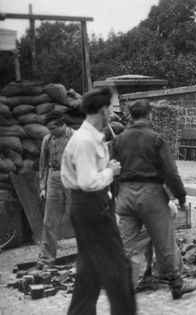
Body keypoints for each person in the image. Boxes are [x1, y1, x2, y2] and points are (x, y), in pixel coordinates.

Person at [111, 99, 196, 300]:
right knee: (165, 241)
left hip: (125, 194)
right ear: (149, 115)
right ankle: (176, 285)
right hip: (150, 194)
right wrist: (181, 196)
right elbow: (171, 171)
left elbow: (113, 170)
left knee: (125, 244)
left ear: (131, 116)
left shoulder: (118, 140)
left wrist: (118, 195)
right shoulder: (155, 138)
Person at [60, 87, 136, 315]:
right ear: (103, 110)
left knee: (89, 270)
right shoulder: (85, 141)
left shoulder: (90, 137)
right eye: (111, 109)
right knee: (118, 267)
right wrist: (111, 172)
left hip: (90, 205)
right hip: (91, 204)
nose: (112, 114)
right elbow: (88, 182)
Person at [37, 111, 74, 268]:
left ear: (62, 124)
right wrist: (43, 187)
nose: (50, 131)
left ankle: (90, 257)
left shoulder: (75, 137)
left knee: (80, 216)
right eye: (49, 128)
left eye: (53, 128)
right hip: (54, 176)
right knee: (49, 220)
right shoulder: (47, 139)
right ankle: (46, 259)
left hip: (73, 176)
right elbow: (43, 165)